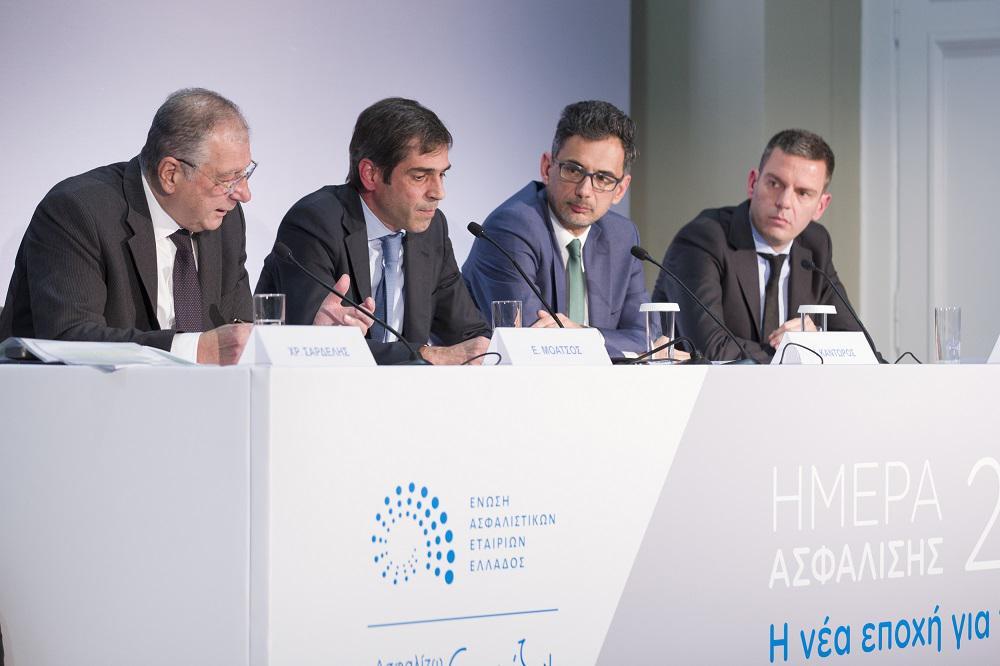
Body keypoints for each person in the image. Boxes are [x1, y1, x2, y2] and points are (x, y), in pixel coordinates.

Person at [0, 88, 254, 364]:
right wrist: (195, 349)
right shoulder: (76, 211)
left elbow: (238, 331)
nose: (244, 194)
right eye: (228, 179)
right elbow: (67, 338)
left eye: (245, 174)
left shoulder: (225, 220)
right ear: (170, 174)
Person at [256, 97, 490, 365]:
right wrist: (426, 354)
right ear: (371, 174)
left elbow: (468, 332)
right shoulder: (314, 223)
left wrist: (489, 346)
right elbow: (314, 347)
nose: (438, 192)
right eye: (420, 176)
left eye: (442, 175)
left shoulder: (431, 228)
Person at [461, 100, 655, 357]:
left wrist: (585, 335)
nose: (584, 191)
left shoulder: (622, 237)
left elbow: (646, 338)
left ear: (620, 189)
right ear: (547, 168)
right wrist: (592, 339)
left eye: (602, 178)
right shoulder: (511, 227)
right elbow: (533, 339)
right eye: (573, 170)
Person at [654, 128, 860, 363]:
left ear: (820, 206)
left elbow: (857, 346)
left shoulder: (815, 245)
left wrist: (817, 341)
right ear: (753, 182)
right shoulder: (704, 239)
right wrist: (800, 351)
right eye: (774, 183)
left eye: (803, 193)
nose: (784, 202)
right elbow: (710, 350)